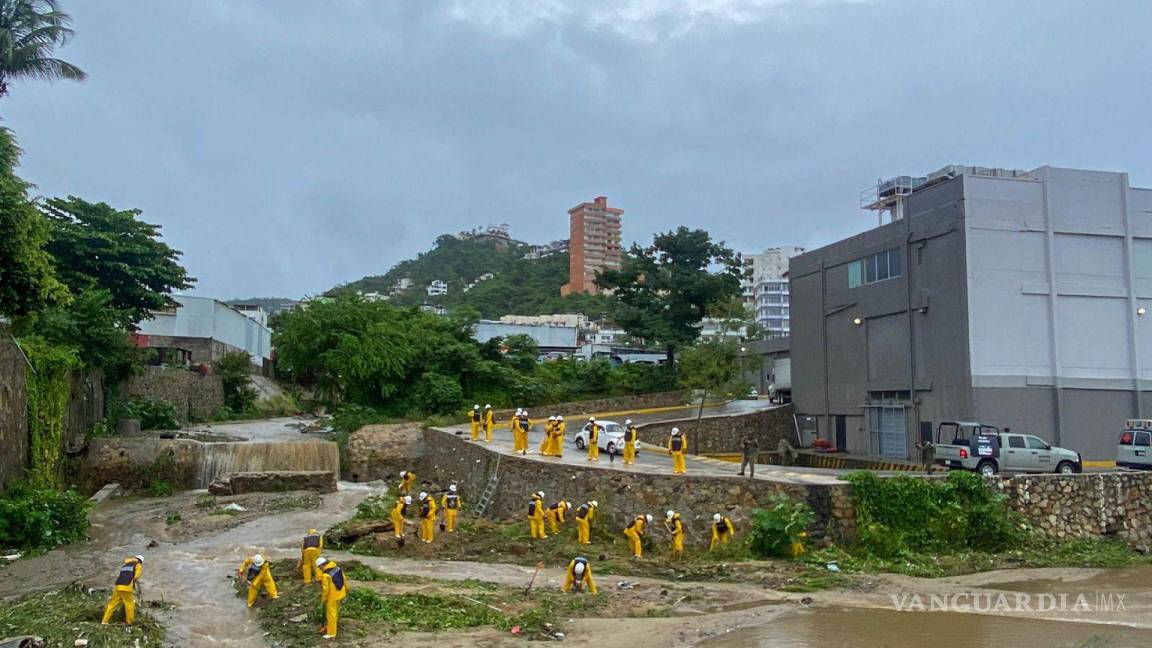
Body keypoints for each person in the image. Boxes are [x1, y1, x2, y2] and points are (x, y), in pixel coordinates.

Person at [101, 555, 144, 625]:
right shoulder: (138, 565)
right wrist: (134, 582)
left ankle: (104, 621)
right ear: (140, 561)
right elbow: (136, 576)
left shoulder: (125, 565)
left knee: (112, 604)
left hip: (118, 586)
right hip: (126, 587)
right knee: (129, 604)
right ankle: (130, 622)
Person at [316, 556, 348, 640]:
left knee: (331, 615)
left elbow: (326, 589)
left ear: (322, 565)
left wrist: (323, 599)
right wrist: (347, 589)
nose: (320, 569)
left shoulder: (325, 575)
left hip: (332, 597)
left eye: (319, 567)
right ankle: (332, 625)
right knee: (335, 612)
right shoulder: (337, 568)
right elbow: (344, 578)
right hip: (341, 593)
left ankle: (331, 633)